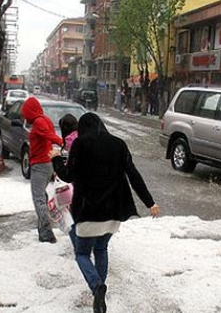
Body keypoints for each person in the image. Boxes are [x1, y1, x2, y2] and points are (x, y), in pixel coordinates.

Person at [50, 113, 160, 313]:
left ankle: (97, 287)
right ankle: (99, 295)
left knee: (82, 253)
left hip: (88, 211)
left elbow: (68, 175)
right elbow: (133, 175)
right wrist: (149, 202)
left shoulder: (80, 145)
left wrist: (56, 160)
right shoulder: (118, 144)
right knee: (101, 249)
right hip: (114, 211)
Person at [21, 97, 64, 243]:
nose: (25, 116)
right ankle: (43, 227)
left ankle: (46, 232)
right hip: (46, 163)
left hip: (40, 165)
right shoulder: (45, 119)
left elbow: (49, 136)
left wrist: (62, 142)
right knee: (43, 197)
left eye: (25, 112)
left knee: (38, 198)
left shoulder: (39, 122)